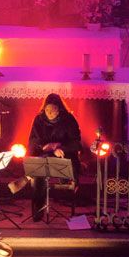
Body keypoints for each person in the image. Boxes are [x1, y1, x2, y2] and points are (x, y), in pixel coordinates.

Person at [27, 93, 83, 221]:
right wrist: (46, 146)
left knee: (65, 167)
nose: (50, 113)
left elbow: (76, 143)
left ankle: (67, 188)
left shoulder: (68, 119)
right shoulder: (39, 119)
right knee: (37, 175)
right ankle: (38, 209)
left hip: (64, 157)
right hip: (44, 156)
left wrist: (61, 147)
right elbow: (33, 141)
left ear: (60, 109)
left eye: (53, 110)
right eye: (47, 110)